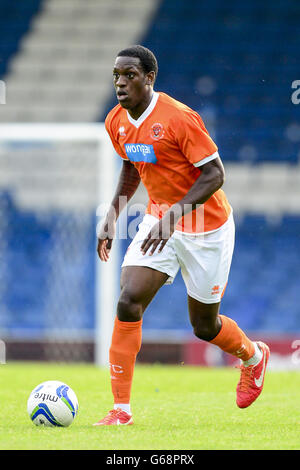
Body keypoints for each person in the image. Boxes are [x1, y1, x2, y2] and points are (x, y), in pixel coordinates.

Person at [93, 45, 270, 426]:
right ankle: (121, 410)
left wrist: (175, 215)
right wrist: (112, 216)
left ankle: (253, 356)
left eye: (130, 76)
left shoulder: (178, 118)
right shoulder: (116, 121)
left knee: (204, 326)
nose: (120, 84)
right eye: (116, 77)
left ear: (149, 78)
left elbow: (215, 174)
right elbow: (133, 166)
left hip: (207, 227)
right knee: (128, 301)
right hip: (160, 220)